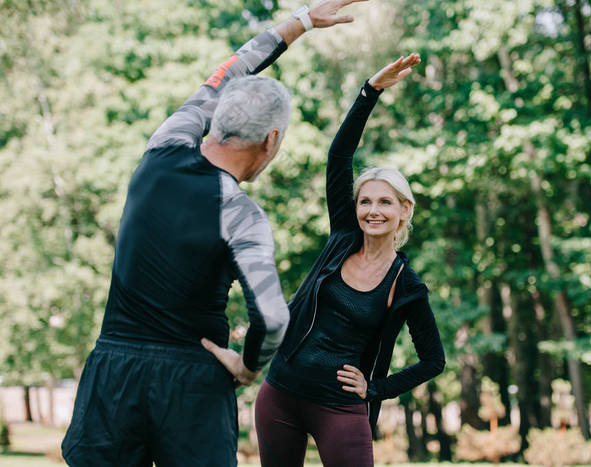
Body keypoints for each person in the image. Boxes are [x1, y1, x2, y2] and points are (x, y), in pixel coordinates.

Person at [61, 1, 368, 465]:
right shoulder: (242, 215)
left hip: (114, 370)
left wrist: (300, 21)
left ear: (216, 120)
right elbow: (273, 318)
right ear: (271, 141)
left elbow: (227, 71)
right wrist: (246, 367)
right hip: (192, 381)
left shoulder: (161, 148)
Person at [205, 55, 446, 466]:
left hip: (340, 407)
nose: (373, 210)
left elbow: (433, 360)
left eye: (385, 202)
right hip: (280, 393)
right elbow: (339, 157)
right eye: (365, 201)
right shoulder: (341, 240)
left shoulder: (407, 285)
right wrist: (370, 91)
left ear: (404, 210)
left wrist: (375, 389)